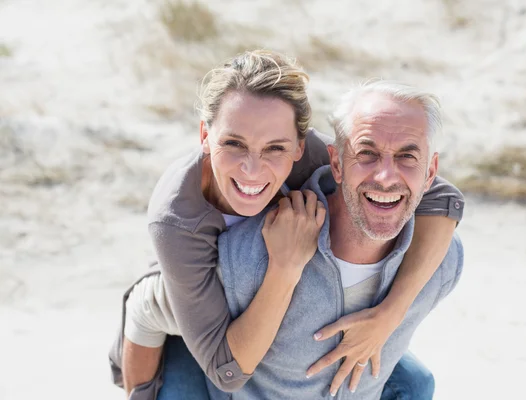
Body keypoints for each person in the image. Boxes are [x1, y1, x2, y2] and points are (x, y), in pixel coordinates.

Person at [108, 51, 464, 399]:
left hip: (272, 292)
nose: (252, 168)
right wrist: (285, 266)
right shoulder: (178, 220)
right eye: (233, 143)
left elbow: (440, 198)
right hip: (184, 305)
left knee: (415, 383)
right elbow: (225, 369)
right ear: (205, 135)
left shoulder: (318, 154)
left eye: (275, 148)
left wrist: (389, 315)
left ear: (298, 145)